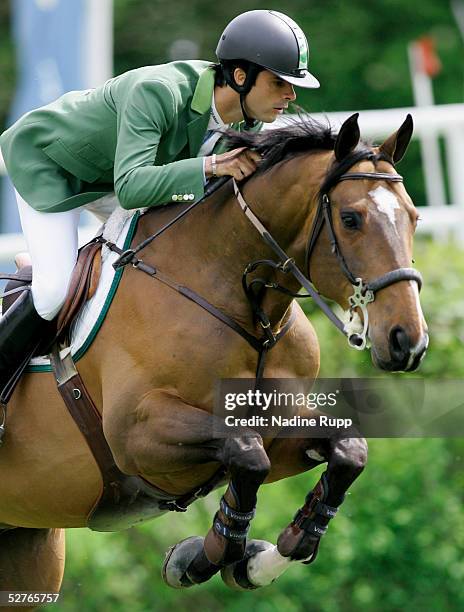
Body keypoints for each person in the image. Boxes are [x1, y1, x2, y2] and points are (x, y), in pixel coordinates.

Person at [0, 9, 320, 388]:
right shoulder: (159, 91)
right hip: (51, 165)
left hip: (111, 176)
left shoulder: (244, 119)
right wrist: (212, 166)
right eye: (280, 81)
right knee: (54, 292)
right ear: (240, 76)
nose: (291, 94)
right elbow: (133, 187)